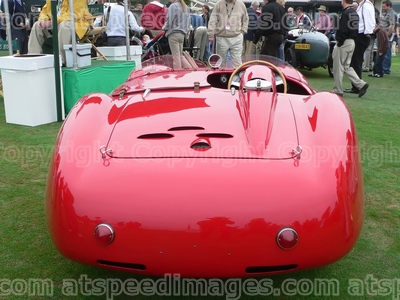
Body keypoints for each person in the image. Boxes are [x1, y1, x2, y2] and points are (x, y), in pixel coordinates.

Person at [28, 0, 93, 66]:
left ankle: (60, 60)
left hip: (77, 23)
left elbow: (75, 14)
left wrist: (51, 22)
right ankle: (33, 59)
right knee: (37, 25)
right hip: (55, 24)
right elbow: (44, 11)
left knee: (63, 26)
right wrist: (43, 20)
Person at [332, 0, 369, 97]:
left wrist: (340, 41)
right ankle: (361, 84)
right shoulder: (354, 12)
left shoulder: (346, 13)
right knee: (346, 66)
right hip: (352, 41)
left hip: (344, 42)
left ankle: (337, 89)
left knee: (338, 66)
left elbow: (343, 29)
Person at [343, 0, 375, 94]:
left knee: (356, 61)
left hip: (362, 36)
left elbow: (369, 19)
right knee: (355, 61)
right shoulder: (362, 5)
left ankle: (358, 86)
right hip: (360, 35)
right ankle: (357, 85)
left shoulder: (366, 5)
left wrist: (368, 32)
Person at [207, 0, 248, 67]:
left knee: (237, 62)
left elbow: (245, 19)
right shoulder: (219, 3)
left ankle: (236, 77)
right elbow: (213, 19)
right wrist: (211, 33)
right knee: (220, 62)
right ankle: (220, 77)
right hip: (222, 37)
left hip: (237, 37)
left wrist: (243, 31)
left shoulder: (241, 4)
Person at [162, 0, 191, 69]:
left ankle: (177, 74)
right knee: (180, 55)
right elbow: (188, 22)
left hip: (174, 33)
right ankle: (189, 69)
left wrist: (164, 27)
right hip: (182, 34)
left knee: (176, 57)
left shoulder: (173, 6)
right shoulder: (186, 7)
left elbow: (169, 21)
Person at [380, 0, 396, 75]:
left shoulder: (391, 13)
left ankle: (386, 69)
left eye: (384, 6)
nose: (383, 8)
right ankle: (383, 67)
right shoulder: (387, 13)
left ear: (389, 6)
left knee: (387, 52)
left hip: (388, 35)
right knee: (384, 51)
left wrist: (388, 35)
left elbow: (392, 25)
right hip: (384, 34)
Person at [363, 5, 380, 72]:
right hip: (374, 31)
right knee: (371, 50)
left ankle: (366, 66)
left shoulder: (366, 9)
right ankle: (369, 65)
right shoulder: (376, 10)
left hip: (368, 31)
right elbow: (378, 22)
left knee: (367, 50)